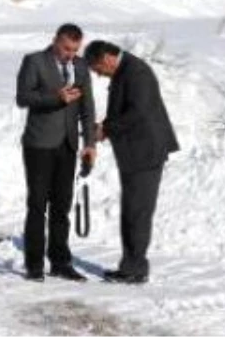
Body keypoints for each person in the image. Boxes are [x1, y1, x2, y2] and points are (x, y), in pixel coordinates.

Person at [83, 39, 180, 285]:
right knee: (132, 210)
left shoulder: (137, 73)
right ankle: (130, 266)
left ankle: (135, 270)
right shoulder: (126, 70)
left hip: (145, 152)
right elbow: (125, 110)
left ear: (106, 58)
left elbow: (138, 113)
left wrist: (106, 129)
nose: (97, 74)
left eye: (96, 68)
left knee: (137, 212)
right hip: (135, 152)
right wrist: (105, 126)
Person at [15, 23, 97, 282]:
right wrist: (55, 98)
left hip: (68, 144)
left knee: (62, 206)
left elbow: (87, 106)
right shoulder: (34, 61)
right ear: (55, 41)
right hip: (39, 144)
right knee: (38, 205)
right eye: (65, 48)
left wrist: (90, 143)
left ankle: (61, 262)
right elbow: (23, 97)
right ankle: (34, 264)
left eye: (74, 50)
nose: (69, 54)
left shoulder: (81, 66)